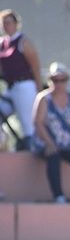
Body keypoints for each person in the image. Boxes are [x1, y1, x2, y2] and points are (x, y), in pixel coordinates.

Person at [31, 62, 70, 204]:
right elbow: (38, 123)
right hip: (47, 143)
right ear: (50, 80)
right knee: (54, 158)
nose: (59, 83)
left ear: (67, 80)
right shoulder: (44, 99)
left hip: (68, 144)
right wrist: (50, 143)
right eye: (55, 80)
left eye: (62, 80)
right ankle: (58, 196)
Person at [0, 9, 43, 150]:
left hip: (25, 86)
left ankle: (32, 151)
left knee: (27, 123)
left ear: (16, 24)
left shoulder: (23, 42)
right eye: (4, 23)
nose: (6, 26)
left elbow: (35, 67)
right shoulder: (2, 43)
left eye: (9, 22)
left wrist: (39, 91)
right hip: (10, 87)